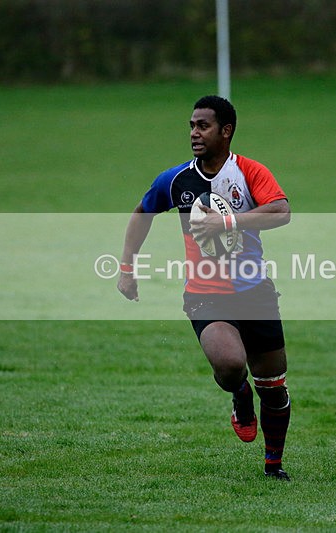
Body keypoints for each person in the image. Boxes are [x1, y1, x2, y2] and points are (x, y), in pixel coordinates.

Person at [117, 95, 293, 480]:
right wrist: (127, 266)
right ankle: (239, 396)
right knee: (231, 366)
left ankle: (273, 465)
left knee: (274, 388)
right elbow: (142, 213)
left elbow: (281, 212)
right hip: (205, 294)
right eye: (191, 126)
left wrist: (228, 224)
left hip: (256, 294)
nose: (194, 133)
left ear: (225, 131)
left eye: (203, 126)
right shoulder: (176, 179)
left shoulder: (249, 172)